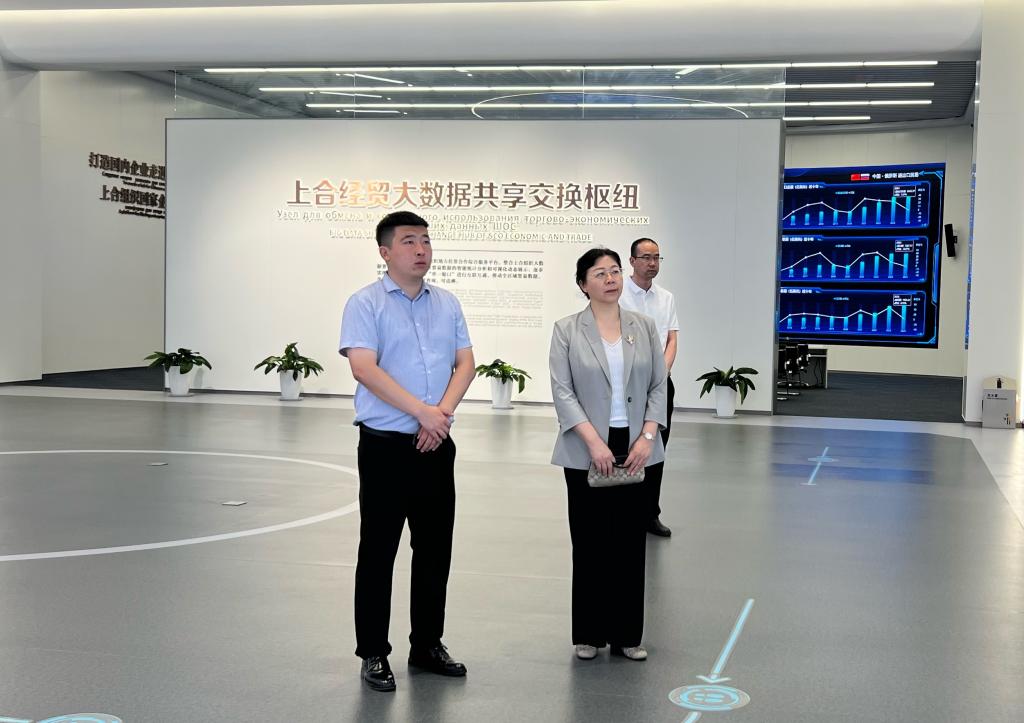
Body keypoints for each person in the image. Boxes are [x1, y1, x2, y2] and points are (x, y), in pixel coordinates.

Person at [339, 211, 476, 692]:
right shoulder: (365, 303)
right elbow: (364, 368)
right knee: (378, 551)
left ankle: (427, 644)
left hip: (436, 444)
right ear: (385, 252)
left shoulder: (447, 302)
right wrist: (423, 412)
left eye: (426, 241)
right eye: (409, 241)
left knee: (435, 550)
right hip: (386, 447)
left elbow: (465, 362)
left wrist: (441, 415)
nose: (421, 250)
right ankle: (374, 651)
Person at [549, 247, 667, 662]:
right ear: (583, 284)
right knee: (590, 542)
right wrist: (593, 442)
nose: (611, 279)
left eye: (615, 271)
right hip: (586, 447)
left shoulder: (644, 326)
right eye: (599, 273)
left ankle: (627, 635)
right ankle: (589, 633)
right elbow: (562, 390)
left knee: (630, 545)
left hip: (636, 446)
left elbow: (658, 384)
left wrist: (647, 436)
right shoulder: (567, 330)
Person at [617, 237, 680, 537]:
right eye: (646, 257)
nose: (652, 263)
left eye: (656, 257)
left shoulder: (665, 298)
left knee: (656, 449)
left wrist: (661, 373)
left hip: (659, 384)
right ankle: (624, 511)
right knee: (625, 448)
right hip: (626, 386)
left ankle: (649, 514)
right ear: (632, 261)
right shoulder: (618, 295)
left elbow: (672, 339)